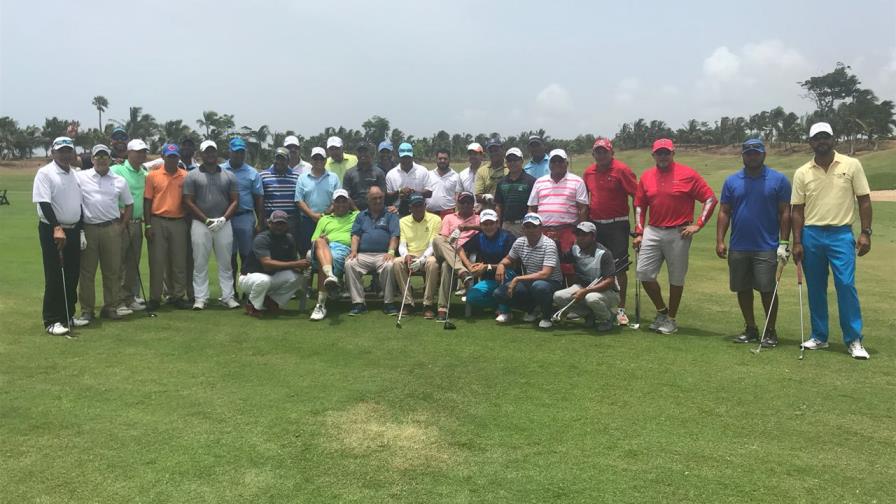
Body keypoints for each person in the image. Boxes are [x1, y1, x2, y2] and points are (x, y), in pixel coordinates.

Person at [792, 122, 872, 359]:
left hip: (841, 233)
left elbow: (864, 200)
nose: (822, 141)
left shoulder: (851, 165)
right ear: (810, 143)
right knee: (816, 288)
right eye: (817, 138)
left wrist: (866, 232)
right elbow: (797, 209)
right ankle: (819, 336)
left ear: (833, 139)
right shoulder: (802, 172)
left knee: (846, 286)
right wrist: (797, 241)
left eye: (826, 136)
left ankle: (854, 339)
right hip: (812, 234)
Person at [633, 138, 717, 334]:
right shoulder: (646, 177)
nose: (663, 156)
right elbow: (639, 205)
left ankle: (671, 319)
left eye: (666, 153)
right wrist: (639, 232)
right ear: (653, 155)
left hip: (679, 232)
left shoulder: (688, 174)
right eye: (659, 153)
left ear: (673, 153)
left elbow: (710, 198)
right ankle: (662, 311)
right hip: (653, 230)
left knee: (676, 277)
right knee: (644, 273)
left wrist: (698, 224)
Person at [716, 138, 792, 347]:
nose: (752, 156)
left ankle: (770, 331)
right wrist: (720, 240)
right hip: (739, 245)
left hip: (766, 245)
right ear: (743, 156)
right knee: (742, 289)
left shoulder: (779, 180)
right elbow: (724, 211)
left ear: (763, 154)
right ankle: (750, 328)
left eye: (756, 152)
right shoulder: (732, 181)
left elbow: (786, 212)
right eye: (748, 153)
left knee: (767, 290)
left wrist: (784, 242)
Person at [72, 144, 133, 325]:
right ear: (92, 159)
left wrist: (122, 226)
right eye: (98, 156)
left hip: (112, 228)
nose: (101, 159)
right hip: (89, 229)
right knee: (87, 272)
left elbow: (129, 204)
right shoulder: (81, 177)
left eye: (104, 156)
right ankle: (87, 310)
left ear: (110, 159)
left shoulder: (119, 180)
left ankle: (111, 307)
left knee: (112, 271)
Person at [582, 137, 638, 326]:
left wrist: (639, 227)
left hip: (617, 224)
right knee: (595, 266)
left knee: (619, 267)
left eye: (604, 151)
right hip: (595, 224)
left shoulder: (622, 170)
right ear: (593, 154)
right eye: (598, 152)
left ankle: (620, 309)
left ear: (611, 153)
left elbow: (637, 197)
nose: (601, 155)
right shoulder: (588, 172)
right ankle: (596, 305)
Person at [33, 137, 83, 335]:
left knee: (72, 274)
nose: (64, 155)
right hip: (53, 229)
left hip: (72, 229)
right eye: (61, 151)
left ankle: (67, 316)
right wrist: (56, 227)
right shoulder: (45, 173)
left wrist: (80, 230)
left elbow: (78, 205)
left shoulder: (74, 174)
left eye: (68, 151)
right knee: (54, 275)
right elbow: (44, 203)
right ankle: (51, 320)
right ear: (53, 152)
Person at [183, 140, 240, 310]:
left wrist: (223, 219)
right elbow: (188, 201)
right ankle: (201, 298)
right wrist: (206, 220)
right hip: (200, 224)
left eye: (213, 152)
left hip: (224, 223)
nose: (210, 155)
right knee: (200, 262)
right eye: (206, 152)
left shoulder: (228, 175)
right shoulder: (192, 175)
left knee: (226, 263)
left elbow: (235, 200)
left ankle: (228, 296)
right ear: (200, 154)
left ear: (217, 153)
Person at [143, 143, 192, 311]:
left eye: (175, 156)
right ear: (163, 157)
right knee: (157, 262)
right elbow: (147, 201)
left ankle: (177, 295)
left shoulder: (185, 175)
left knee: (179, 261)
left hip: (179, 221)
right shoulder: (153, 176)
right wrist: (148, 224)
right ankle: (155, 297)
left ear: (178, 157)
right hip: (157, 220)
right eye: (169, 156)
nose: (172, 159)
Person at [527, 148, 589, 279]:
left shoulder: (577, 181)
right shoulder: (539, 182)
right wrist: (532, 230)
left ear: (566, 163)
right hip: (543, 231)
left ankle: (569, 297)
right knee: (544, 267)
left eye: (560, 161)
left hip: (567, 231)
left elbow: (583, 208)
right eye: (553, 161)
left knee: (569, 268)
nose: (556, 164)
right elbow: (532, 208)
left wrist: (581, 232)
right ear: (549, 164)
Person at [493, 213, 563, 328]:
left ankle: (546, 316)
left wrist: (517, 279)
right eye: (527, 227)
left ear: (541, 228)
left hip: (551, 282)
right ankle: (532, 309)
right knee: (499, 293)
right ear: (523, 228)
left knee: (539, 286)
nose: (531, 230)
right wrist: (501, 265)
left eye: (534, 226)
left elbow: (546, 274)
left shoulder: (549, 244)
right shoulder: (520, 242)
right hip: (530, 281)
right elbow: (508, 259)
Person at [238, 210, 310, 317]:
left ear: (287, 225)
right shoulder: (262, 238)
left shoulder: (289, 239)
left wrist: (302, 267)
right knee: (264, 280)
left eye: (282, 224)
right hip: (248, 277)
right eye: (276, 224)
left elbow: (292, 262)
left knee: (297, 277)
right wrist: (295, 264)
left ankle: (272, 303)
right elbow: (267, 264)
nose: (279, 227)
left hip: (272, 276)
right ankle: (252, 305)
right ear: (269, 223)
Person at [553, 222, 620, 332]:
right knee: (558, 296)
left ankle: (607, 318)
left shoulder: (603, 253)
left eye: (584, 235)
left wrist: (586, 291)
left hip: (609, 292)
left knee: (591, 298)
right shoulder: (575, 249)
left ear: (593, 236)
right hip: (583, 288)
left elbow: (609, 281)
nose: (580, 238)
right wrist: (556, 242)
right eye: (578, 234)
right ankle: (589, 315)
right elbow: (562, 259)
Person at [344, 186, 400, 315]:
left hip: (383, 254)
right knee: (350, 264)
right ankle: (358, 303)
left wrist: (391, 252)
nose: (378, 201)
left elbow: (394, 236)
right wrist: (353, 251)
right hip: (363, 254)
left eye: (381, 198)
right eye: (374, 198)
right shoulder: (361, 216)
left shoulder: (390, 215)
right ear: (368, 200)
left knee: (390, 265)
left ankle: (389, 303)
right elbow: (355, 235)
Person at [111, 139, 149, 311]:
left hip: (137, 224)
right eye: (138, 151)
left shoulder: (145, 173)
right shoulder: (116, 169)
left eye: (143, 152)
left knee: (132, 263)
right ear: (128, 152)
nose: (141, 154)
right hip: (120, 222)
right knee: (117, 263)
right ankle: (115, 300)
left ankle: (128, 298)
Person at [308, 189, 358, 321]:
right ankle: (330, 276)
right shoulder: (324, 219)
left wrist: (352, 204)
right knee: (320, 241)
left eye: (344, 201)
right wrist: (325, 239)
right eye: (338, 202)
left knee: (325, 260)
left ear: (349, 203)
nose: (341, 204)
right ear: (333, 204)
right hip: (323, 247)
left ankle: (320, 304)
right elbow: (314, 240)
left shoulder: (356, 216)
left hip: (342, 249)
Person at [222, 137, 264, 294]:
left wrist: (260, 222)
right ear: (230, 152)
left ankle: (247, 291)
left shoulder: (252, 173)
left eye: (242, 152)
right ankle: (231, 291)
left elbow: (259, 198)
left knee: (247, 256)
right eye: (236, 152)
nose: (239, 155)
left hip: (245, 217)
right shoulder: (220, 170)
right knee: (229, 257)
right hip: (226, 219)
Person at [458, 209, 516, 316]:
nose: (488, 227)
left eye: (491, 223)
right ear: (480, 224)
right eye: (485, 224)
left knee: (502, 278)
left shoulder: (508, 237)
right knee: (472, 297)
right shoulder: (479, 237)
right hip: (489, 278)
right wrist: (469, 265)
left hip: (508, 276)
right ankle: (500, 304)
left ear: (497, 223)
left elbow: (513, 263)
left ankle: (505, 311)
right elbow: (460, 248)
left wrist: (487, 267)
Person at [431, 192, 479, 320]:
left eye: (469, 202)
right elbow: (444, 239)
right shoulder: (448, 217)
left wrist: (469, 227)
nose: (466, 205)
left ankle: (442, 309)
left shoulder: (478, 219)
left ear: (473, 204)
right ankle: (463, 272)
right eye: (462, 202)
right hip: (447, 250)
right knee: (438, 239)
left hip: (464, 254)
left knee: (447, 266)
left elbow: (488, 229)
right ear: (457, 203)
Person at [394, 194, 442, 318]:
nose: (418, 208)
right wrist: (406, 256)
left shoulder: (435, 219)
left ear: (425, 206)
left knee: (432, 263)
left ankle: (428, 304)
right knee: (397, 262)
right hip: (411, 254)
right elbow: (402, 244)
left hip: (428, 255)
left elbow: (433, 244)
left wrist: (421, 260)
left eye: (420, 205)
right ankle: (408, 302)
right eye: (415, 206)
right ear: (410, 208)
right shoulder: (403, 221)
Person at [294, 146, 342, 256]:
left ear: (326, 160)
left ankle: (325, 269)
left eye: (321, 159)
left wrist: (325, 214)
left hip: (328, 219)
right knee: (306, 247)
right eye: (315, 159)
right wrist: (312, 215)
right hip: (307, 219)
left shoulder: (333, 177)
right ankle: (307, 270)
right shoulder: (302, 178)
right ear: (311, 160)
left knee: (327, 247)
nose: (318, 161)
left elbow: (338, 199)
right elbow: (299, 200)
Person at [261, 147, 301, 242]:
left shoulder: (296, 177)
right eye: (277, 158)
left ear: (288, 161)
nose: (279, 161)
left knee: (290, 249)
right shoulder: (263, 176)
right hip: (271, 221)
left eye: (283, 159)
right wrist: (262, 219)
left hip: (290, 221)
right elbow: (259, 200)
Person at [495, 147, 536, 237]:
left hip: (523, 225)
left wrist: (529, 225)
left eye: (515, 160)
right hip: (506, 225)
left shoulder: (531, 181)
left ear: (522, 161)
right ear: (506, 163)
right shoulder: (501, 183)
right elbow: (499, 206)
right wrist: (498, 224)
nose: (512, 163)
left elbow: (532, 206)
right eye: (509, 160)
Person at [384, 142, 433, 216]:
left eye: (408, 157)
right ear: (398, 157)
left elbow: (429, 193)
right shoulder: (391, 174)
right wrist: (399, 192)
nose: (406, 160)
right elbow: (388, 196)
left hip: (419, 212)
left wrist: (413, 193)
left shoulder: (422, 171)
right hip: (397, 213)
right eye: (403, 157)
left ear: (412, 156)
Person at [343, 142, 387, 211]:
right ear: (356, 154)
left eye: (365, 151)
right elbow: (346, 196)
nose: (362, 154)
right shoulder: (349, 173)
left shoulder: (379, 172)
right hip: (354, 211)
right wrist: (356, 211)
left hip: (375, 210)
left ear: (370, 153)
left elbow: (383, 193)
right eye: (360, 152)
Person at [473, 136, 507, 208]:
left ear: (502, 150)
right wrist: (486, 197)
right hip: (488, 213)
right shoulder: (482, 171)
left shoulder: (510, 167)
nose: (493, 153)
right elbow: (478, 196)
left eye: (496, 150)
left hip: (507, 210)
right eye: (491, 151)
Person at [426, 148, 461, 217]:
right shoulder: (429, 175)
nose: (442, 161)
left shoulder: (456, 176)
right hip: (430, 214)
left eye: (445, 159)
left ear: (449, 160)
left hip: (448, 214)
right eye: (440, 158)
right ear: (436, 159)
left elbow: (458, 196)